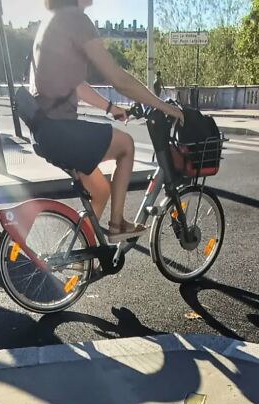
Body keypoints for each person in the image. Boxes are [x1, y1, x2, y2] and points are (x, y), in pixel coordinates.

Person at [30, 0, 184, 242]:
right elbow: (118, 78)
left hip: (46, 131)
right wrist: (163, 105)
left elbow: (77, 85)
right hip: (58, 131)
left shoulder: (53, 20)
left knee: (101, 191)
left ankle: (77, 253)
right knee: (126, 145)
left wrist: (111, 108)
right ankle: (117, 225)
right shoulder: (75, 18)